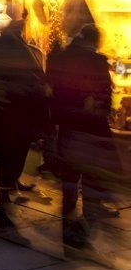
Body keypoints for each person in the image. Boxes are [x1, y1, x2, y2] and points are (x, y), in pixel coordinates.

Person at [46, 23, 122, 254]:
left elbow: (50, 91)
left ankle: (67, 235)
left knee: (69, 183)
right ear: (95, 40)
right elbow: (104, 97)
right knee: (92, 183)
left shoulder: (60, 58)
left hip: (67, 128)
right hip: (91, 129)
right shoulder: (96, 62)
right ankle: (83, 233)